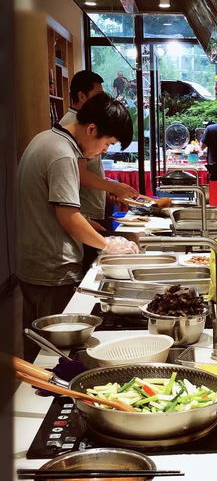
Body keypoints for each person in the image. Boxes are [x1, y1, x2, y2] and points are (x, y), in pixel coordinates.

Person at [16, 93, 139, 359]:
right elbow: (68, 218)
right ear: (91, 129)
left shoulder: (46, 139)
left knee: (38, 344)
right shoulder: (63, 154)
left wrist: (85, 220)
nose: (103, 151)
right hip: (52, 266)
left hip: (33, 260)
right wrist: (109, 245)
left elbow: (55, 207)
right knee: (51, 354)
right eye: (107, 144)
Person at [60, 70, 139, 270]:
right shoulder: (71, 128)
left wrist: (109, 190)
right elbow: (79, 176)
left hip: (86, 213)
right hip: (80, 213)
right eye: (108, 144)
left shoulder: (81, 127)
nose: (105, 149)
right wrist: (113, 187)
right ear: (81, 96)